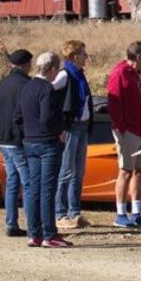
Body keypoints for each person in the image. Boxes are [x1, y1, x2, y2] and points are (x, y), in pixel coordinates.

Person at [14, 52, 73, 249]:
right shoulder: (47, 89)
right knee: (48, 189)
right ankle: (49, 234)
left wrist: (27, 133)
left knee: (33, 189)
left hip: (30, 142)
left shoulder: (27, 86)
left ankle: (34, 233)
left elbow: (18, 116)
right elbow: (48, 117)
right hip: (47, 143)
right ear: (53, 69)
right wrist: (60, 131)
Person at [107, 41, 141, 228]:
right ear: (139, 56)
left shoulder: (136, 75)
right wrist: (120, 127)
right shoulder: (120, 74)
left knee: (140, 171)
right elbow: (114, 101)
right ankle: (120, 213)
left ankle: (137, 213)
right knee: (126, 171)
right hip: (128, 131)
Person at [0, 49, 32, 237]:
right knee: (29, 182)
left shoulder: (0, 85)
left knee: (12, 181)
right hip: (18, 140)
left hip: (2, 139)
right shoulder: (26, 85)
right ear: (26, 64)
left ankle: (11, 222)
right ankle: (34, 225)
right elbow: (28, 114)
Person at [56, 40, 93, 229]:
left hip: (82, 126)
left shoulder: (79, 75)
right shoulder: (65, 75)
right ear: (74, 56)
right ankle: (60, 213)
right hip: (70, 127)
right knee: (66, 171)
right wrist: (60, 125)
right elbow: (51, 95)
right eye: (83, 54)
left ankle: (74, 212)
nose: (86, 58)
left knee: (79, 172)